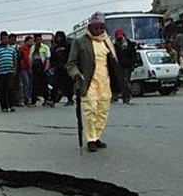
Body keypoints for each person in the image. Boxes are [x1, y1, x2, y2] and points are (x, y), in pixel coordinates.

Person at [66, 11, 123, 152]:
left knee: (102, 111)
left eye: (100, 27)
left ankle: (97, 136)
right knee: (90, 109)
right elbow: (71, 64)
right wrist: (76, 74)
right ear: (90, 26)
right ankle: (90, 139)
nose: (98, 30)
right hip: (88, 81)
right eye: (95, 27)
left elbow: (114, 62)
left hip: (105, 81)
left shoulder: (107, 41)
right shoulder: (80, 42)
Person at [0, 31, 18, 112]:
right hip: (0, 72)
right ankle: (4, 106)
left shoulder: (12, 48)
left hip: (10, 71)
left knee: (11, 88)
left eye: (6, 38)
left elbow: (15, 59)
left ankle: (12, 105)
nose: (5, 40)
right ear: (0, 39)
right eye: (3, 39)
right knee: (1, 90)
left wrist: (15, 68)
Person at [114, 28, 138, 104]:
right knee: (122, 82)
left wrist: (134, 64)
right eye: (118, 38)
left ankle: (127, 96)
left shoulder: (130, 44)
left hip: (128, 66)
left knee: (126, 82)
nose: (120, 39)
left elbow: (133, 55)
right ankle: (125, 95)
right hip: (119, 67)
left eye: (121, 37)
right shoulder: (115, 46)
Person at [51, 31, 74, 106]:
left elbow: (71, 55)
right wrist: (53, 65)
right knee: (55, 84)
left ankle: (70, 99)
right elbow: (52, 58)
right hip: (58, 67)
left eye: (60, 37)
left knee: (68, 84)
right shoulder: (55, 47)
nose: (59, 38)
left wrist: (68, 64)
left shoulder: (68, 45)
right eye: (57, 37)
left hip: (66, 67)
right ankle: (53, 100)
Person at [29, 33, 52, 106]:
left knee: (44, 84)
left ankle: (46, 99)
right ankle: (33, 101)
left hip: (42, 66)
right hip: (34, 67)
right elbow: (30, 59)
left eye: (39, 39)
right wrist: (30, 68)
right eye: (37, 40)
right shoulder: (32, 47)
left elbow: (48, 58)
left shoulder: (45, 47)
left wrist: (46, 68)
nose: (38, 41)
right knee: (34, 84)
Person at [8, 33, 23, 106]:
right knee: (10, 86)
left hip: (18, 69)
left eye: (14, 39)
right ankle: (11, 100)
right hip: (9, 69)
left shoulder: (18, 48)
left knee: (18, 85)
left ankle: (19, 100)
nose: (12, 41)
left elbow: (20, 58)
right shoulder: (7, 48)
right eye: (11, 39)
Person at [18, 36, 33, 107]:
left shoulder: (32, 49)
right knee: (26, 83)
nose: (31, 43)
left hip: (30, 68)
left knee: (30, 84)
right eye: (30, 41)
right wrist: (22, 66)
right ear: (26, 41)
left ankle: (29, 98)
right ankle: (26, 99)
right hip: (24, 69)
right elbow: (20, 59)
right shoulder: (21, 49)